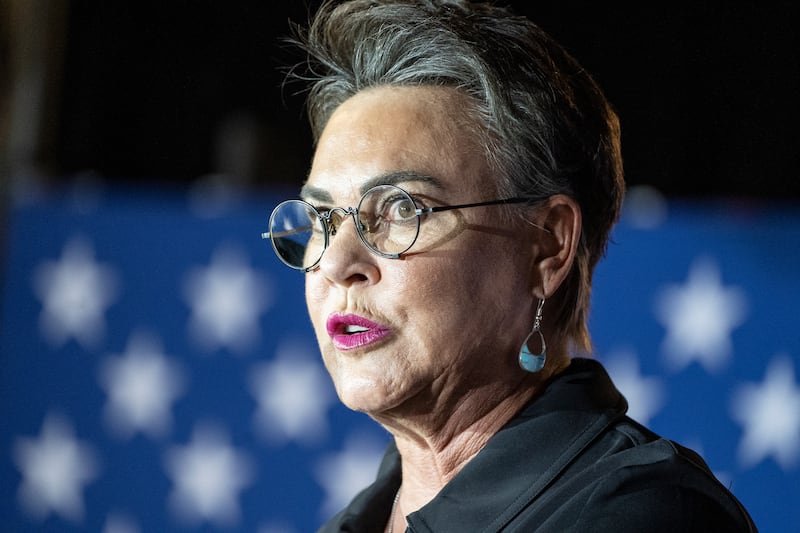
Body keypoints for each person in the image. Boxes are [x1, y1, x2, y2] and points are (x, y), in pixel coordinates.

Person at [264, 1, 757, 531]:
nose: (337, 262)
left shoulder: (646, 514)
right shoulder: (354, 523)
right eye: (321, 219)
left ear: (547, 246)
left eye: (402, 208)